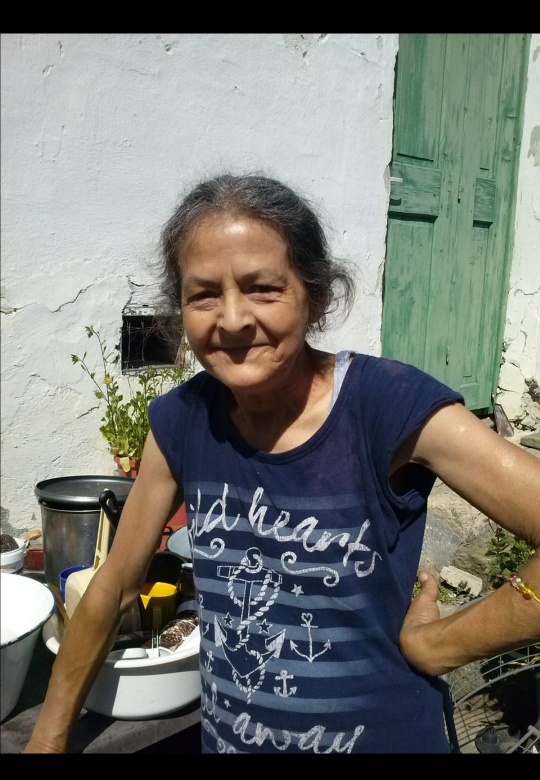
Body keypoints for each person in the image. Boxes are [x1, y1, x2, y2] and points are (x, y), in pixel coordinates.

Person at [25, 172, 540, 754]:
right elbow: (114, 584)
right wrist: (48, 738)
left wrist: (441, 644)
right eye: (203, 295)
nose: (233, 319)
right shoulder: (181, 422)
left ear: (313, 295)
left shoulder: (385, 406)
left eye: (263, 288)